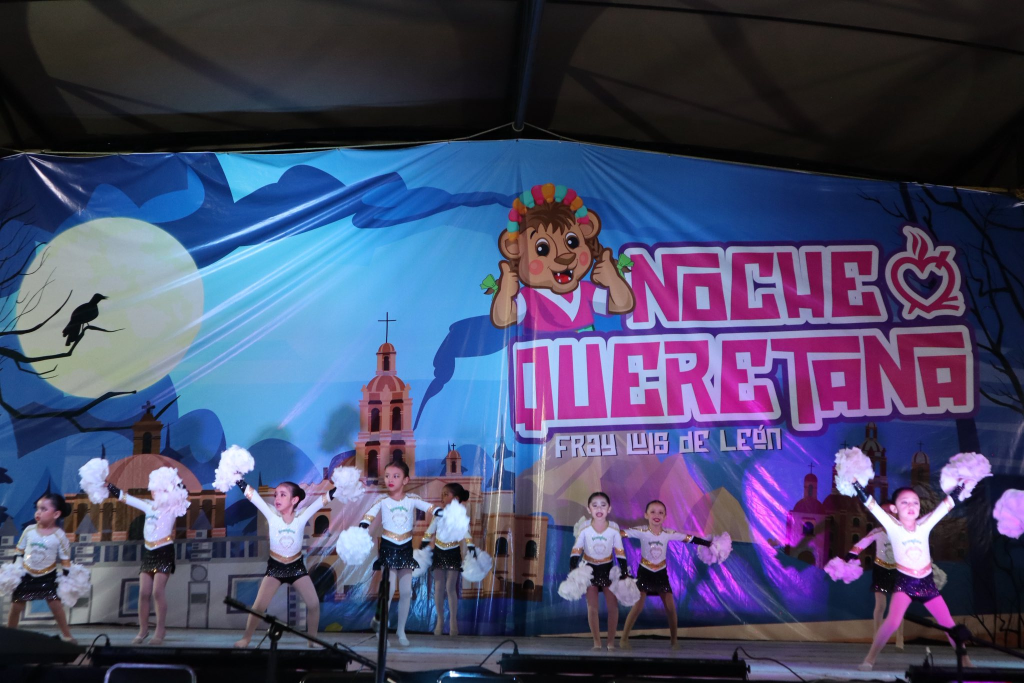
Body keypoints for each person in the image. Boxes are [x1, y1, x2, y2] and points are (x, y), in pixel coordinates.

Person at [853, 483, 970, 670]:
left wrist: (962, 485)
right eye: (905, 502)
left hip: (927, 584)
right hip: (905, 584)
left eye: (915, 502)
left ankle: (965, 661)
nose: (911, 506)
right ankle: (869, 659)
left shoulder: (925, 524)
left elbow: (946, 505)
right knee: (892, 622)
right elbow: (870, 503)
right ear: (894, 509)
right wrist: (854, 483)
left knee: (948, 623)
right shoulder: (892, 526)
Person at [233, 479, 334, 649]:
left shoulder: (302, 516)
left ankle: (312, 640)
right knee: (258, 606)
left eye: (282, 495)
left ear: (294, 500)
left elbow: (322, 500)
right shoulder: (272, 514)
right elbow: (253, 496)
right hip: (275, 568)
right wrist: (238, 479)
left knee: (314, 604)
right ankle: (246, 638)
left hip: (296, 567)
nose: (277, 498)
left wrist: (342, 487)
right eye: (276, 495)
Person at [360, 460, 438, 646]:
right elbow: (369, 515)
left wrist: (439, 511)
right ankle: (382, 631)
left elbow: (429, 507)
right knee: (388, 591)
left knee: (406, 592)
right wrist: (364, 524)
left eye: (396, 476)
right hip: (388, 547)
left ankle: (401, 631)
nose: (390, 479)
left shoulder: (412, 500)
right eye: (387, 476)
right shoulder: (383, 501)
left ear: (405, 480)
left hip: (405, 547)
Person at [619, 499, 711, 650]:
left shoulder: (668, 533)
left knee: (670, 609)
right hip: (645, 572)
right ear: (646, 515)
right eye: (653, 512)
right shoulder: (641, 531)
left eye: (660, 512)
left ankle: (674, 641)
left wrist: (707, 544)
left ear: (665, 516)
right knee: (637, 607)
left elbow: (688, 538)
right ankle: (623, 639)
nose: (657, 515)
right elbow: (621, 534)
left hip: (661, 573)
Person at [107, 477, 187, 645]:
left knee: (157, 591)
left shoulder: (173, 506)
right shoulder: (148, 505)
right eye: (152, 489)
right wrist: (109, 486)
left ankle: (160, 630)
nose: (153, 492)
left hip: (164, 551)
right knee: (144, 592)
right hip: (149, 551)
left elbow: (182, 494)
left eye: (157, 489)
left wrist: (173, 485)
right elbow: (125, 498)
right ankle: (143, 630)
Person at [7, 494, 75, 642]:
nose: (38, 512)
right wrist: (17, 566)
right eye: (37, 509)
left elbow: (65, 559)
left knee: (56, 607)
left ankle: (67, 635)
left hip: (48, 576)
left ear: (56, 514)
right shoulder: (29, 530)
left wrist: (67, 578)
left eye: (44, 509)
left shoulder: (60, 535)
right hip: (26, 575)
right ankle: (9, 636)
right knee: (16, 607)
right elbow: (19, 550)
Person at [570, 492, 628, 649]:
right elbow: (576, 549)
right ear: (589, 509)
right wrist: (573, 568)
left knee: (613, 607)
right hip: (589, 569)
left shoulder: (613, 528)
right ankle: (596, 642)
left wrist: (624, 571)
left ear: (609, 509)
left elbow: (619, 551)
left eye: (603, 505)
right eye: (595, 505)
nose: (599, 509)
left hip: (607, 569)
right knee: (592, 607)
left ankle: (610, 642)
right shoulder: (585, 527)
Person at [421, 482, 476, 636]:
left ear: (456, 498)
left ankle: (453, 622)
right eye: (442, 494)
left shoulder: (461, 515)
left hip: (452, 552)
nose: (443, 497)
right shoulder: (439, 514)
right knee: (438, 587)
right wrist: (423, 544)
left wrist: (471, 547)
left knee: (450, 587)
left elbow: (466, 533)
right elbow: (430, 531)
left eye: (446, 494)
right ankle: (440, 620)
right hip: (439, 551)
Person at [847, 524, 904, 650]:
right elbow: (864, 542)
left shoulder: (902, 531)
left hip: (897, 571)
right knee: (880, 605)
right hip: (881, 570)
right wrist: (852, 553)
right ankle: (877, 637)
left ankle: (900, 637)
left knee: (898, 606)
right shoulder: (877, 532)